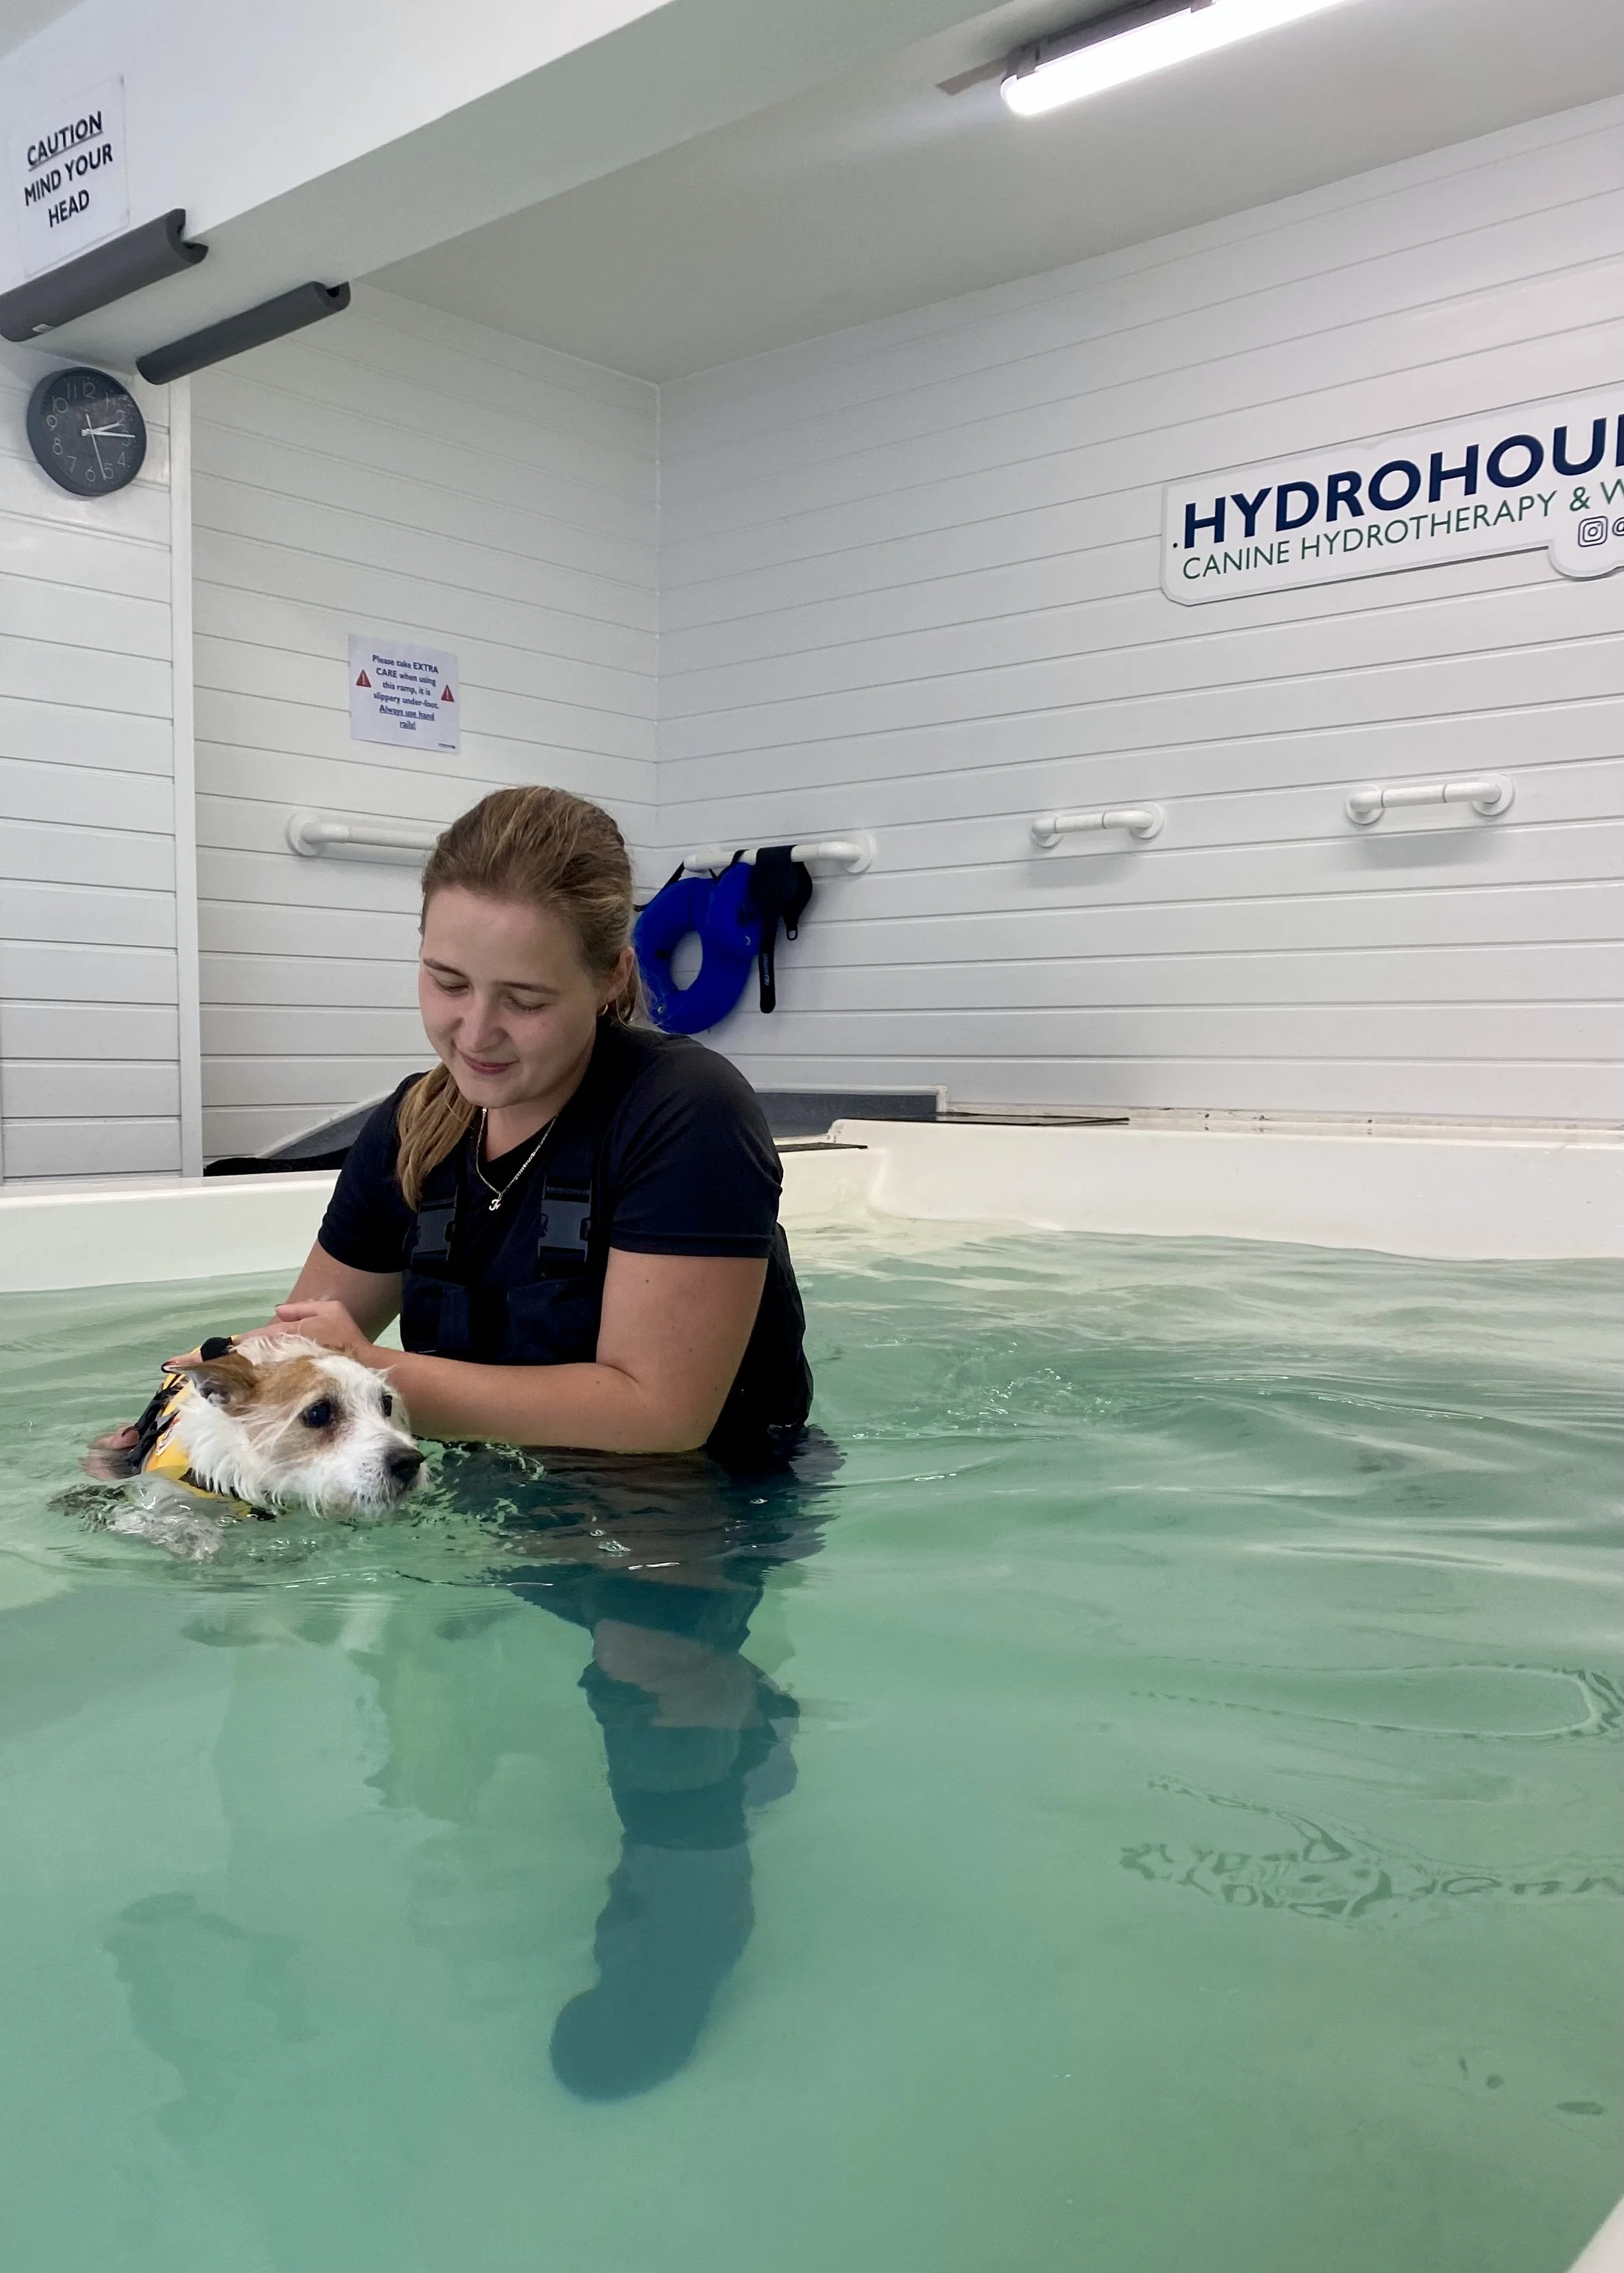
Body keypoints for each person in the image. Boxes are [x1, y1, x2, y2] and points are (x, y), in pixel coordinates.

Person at [268, 785, 812, 1460]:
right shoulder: (411, 1125)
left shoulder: (687, 1111)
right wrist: (165, 1431)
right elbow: (289, 1357)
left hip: (688, 1510)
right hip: (490, 1499)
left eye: (524, 1000)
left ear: (613, 977)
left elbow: (661, 1417)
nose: (476, 1032)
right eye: (448, 982)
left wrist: (368, 1370)